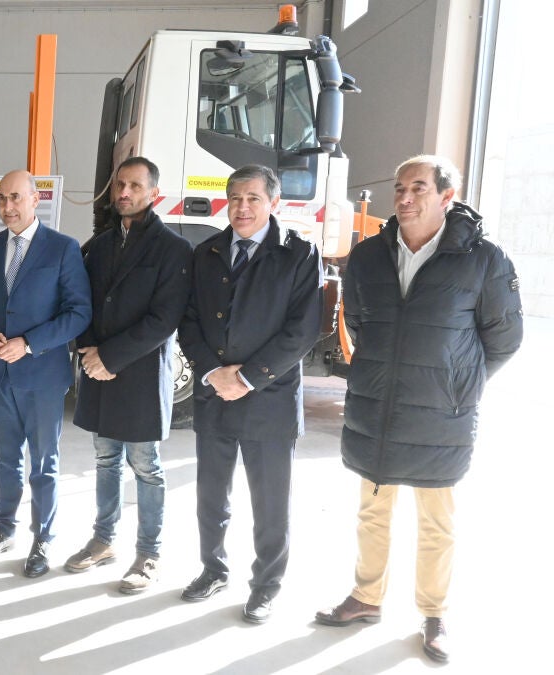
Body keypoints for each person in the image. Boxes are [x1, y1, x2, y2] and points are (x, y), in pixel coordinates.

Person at [314, 155, 522, 663]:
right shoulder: (369, 256)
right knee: (372, 511)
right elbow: (359, 325)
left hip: (440, 414)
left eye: (418, 189)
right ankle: (367, 596)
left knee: (436, 522)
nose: (405, 199)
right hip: (378, 408)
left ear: (447, 196)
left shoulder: (483, 259)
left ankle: (434, 613)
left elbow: (504, 338)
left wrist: (457, 385)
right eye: (400, 188)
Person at [177, 164, 322, 622]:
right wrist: (212, 373)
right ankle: (212, 569)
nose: (242, 207)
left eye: (253, 198)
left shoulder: (298, 254)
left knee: (270, 502)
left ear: (273, 203)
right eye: (235, 198)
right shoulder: (206, 253)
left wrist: (247, 378)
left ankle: (265, 587)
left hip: (269, 399)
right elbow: (188, 320)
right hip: (214, 395)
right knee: (210, 495)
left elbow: (302, 331)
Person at [63, 157, 192, 594]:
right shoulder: (98, 246)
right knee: (105, 460)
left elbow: (164, 320)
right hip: (98, 371)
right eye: (120, 184)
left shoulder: (173, 250)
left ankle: (149, 553)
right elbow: (79, 302)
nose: (124, 192)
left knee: (146, 466)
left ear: (154, 193)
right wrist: (88, 351)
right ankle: (103, 541)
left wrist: (110, 357)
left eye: (135, 186)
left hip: (138, 374)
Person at [0, 170, 91, 578]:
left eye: (15, 197)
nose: (7, 207)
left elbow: (78, 313)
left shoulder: (63, 249)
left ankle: (43, 538)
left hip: (42, 376)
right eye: (2, 198)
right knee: (6, 459)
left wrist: (30, 343)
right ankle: (3, 530)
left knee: (44, 463)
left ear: (36, 199)